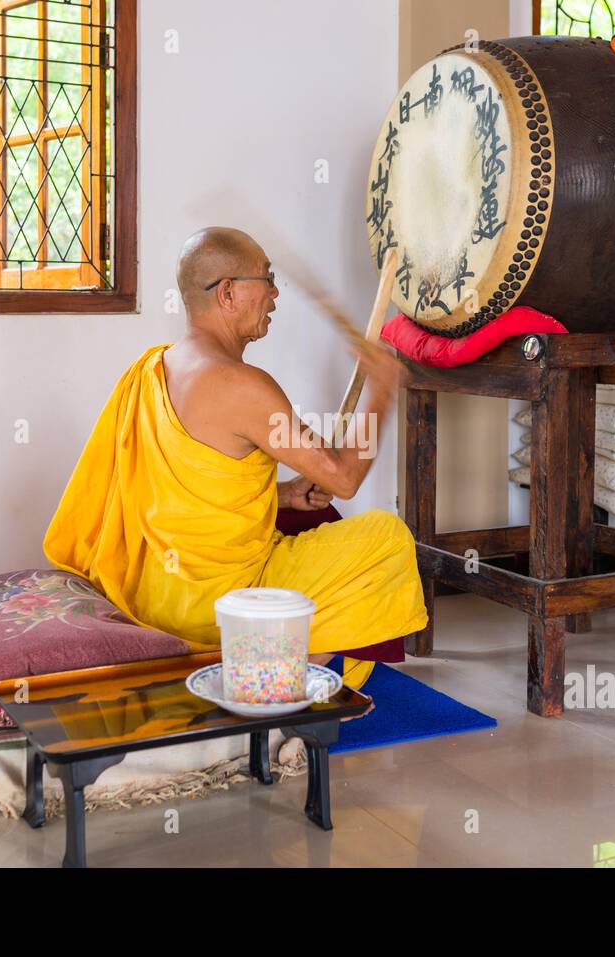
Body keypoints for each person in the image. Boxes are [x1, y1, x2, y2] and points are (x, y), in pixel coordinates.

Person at [43, 227, 427, 688]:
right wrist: (382, 390)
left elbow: (188, 496)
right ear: (227, 292)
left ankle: (260, 661)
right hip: (218, 606)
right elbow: (344, 476)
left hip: (153, 595)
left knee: (311, 515)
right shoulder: (245, 386)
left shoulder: (156, 366)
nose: (275, 294)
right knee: (386, 537)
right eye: (266, 279)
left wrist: (283, 495)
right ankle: (272, 671)